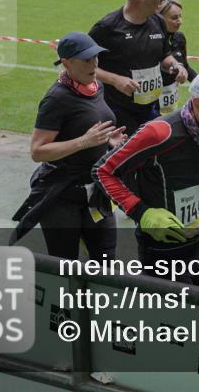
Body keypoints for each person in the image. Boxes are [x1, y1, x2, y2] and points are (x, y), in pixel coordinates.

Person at [93, 69, 199, 287]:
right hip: (161, 248)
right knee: (168, 317)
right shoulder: (159, 133)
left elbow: (197, 175)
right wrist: (142, 212)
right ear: (198, 104)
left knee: (197, 310)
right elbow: (103, 171)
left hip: (198, 241)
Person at [11, 32, 126, 260]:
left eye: (96, 57)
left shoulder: (96, 86)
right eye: (86, 60)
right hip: (61, 195)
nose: (94, 64)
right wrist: (84, 142)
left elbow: (89, 127)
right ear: (66, 63)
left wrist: (107, 139)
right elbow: (38, 151)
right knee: (66, 264)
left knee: (106, 261)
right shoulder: (56, 99)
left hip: (95, 191)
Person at [89, 0, 189, 136]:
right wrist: (115, 80)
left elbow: (164, 55)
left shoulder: (158, 21)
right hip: (118, 111)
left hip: (151, 107)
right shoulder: (107, 28)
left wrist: (175, 65)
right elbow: (83, 66)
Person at [158, 0, 198, 115]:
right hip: (149, 107)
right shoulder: (151, 40)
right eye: (174, 18)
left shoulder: (178, 38)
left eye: (180, 16)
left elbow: (185, 66)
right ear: (159, 18)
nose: (180, 21)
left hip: (170, 106)